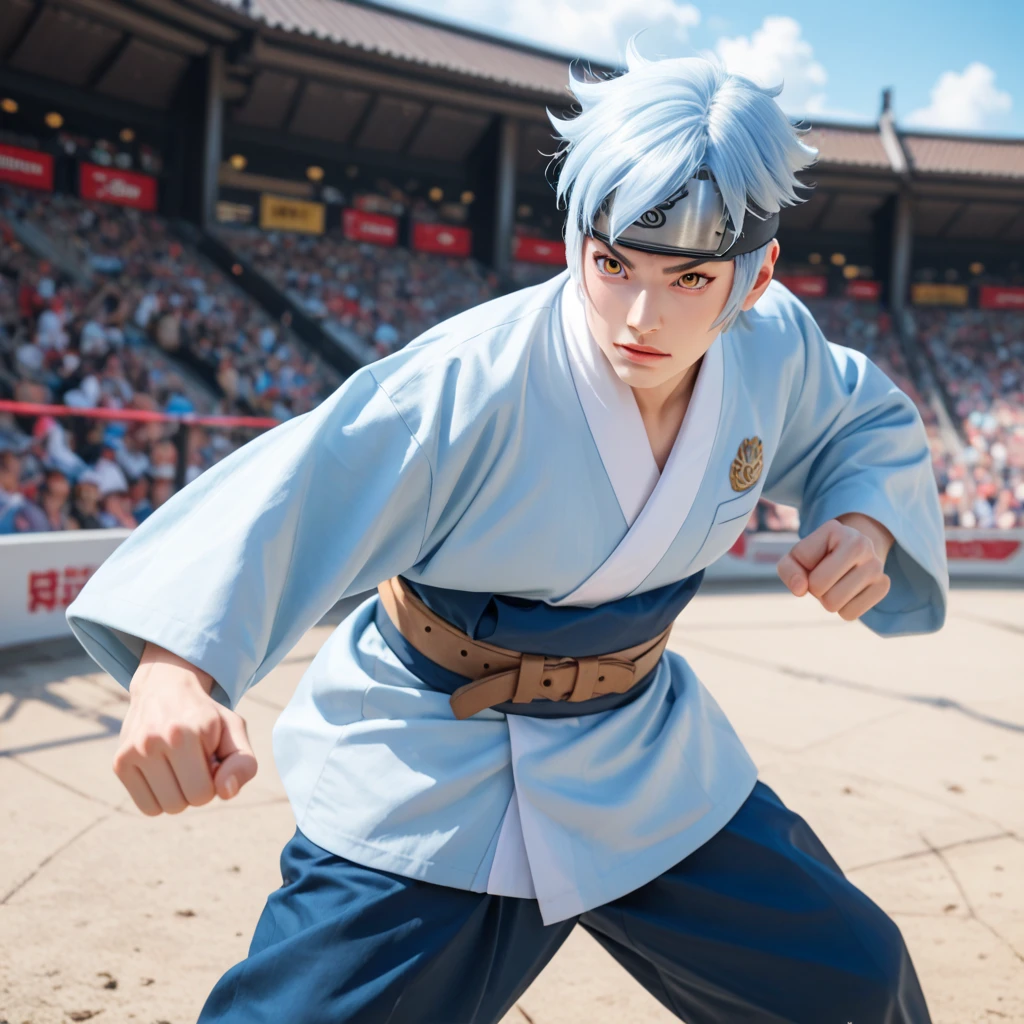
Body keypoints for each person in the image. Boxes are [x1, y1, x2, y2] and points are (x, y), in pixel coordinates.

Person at [66, 46, 947, 1024]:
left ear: (755, 275)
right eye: (611, 263)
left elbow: (858, 423)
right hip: (435, 758)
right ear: (575, 237)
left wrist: (860, 518)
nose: (639, 317)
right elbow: (293, 491)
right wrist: (173, 672)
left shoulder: (773, 347)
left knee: (855, 981)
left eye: (690, 277)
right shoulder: (464, 384)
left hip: (637, 755)